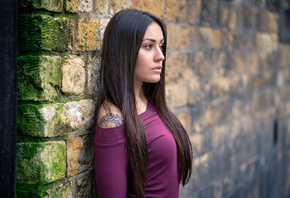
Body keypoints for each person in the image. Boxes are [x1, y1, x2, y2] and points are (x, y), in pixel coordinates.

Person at [94, 8, 192, 198]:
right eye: (149, 46)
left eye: (161, 46)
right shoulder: (112, 117)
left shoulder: (149, 102)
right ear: (124, 51)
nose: (160, 56)